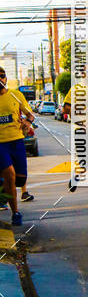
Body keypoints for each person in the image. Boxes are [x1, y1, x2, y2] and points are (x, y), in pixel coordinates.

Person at [0, 67, 36, 226]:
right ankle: (15, 212)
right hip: (1, 145)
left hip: (17, 142)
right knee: (10, 174)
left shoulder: (16, 94)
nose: (0, 80)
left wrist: (27, 123)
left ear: (6, 79)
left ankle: (3, 187)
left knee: (20, 180)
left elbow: (30, 114)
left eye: (2, 76)